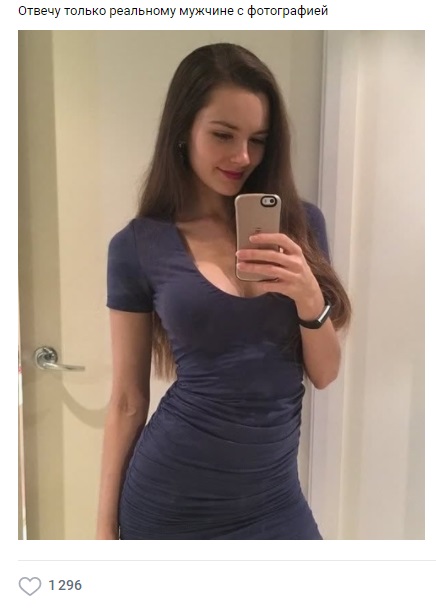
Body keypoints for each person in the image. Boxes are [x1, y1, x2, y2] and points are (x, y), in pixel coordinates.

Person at [96, 42, 352, 540]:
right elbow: (127, 400)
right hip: (170, 504)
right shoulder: (137, 246)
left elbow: (324, 374)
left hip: (276, 499)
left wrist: (308, 295)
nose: (243, 156)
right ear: (182, 131)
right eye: (223, 135)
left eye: (258, 139)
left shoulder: (302, 225)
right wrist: (105, 532)